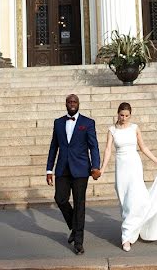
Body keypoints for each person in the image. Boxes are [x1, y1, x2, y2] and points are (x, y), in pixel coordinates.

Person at [99, 102, 157, 251]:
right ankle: (132, 229)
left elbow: (143, 147)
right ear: (117, 113)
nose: (124, 118)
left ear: (130, 115)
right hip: (121, 167)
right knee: (126, 202)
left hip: (134, 166)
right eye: (121, 115)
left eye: (127, 116)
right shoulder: (112, 130)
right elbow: (107, 150)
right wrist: (102, 169)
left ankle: (126, 237)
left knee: (137, 199)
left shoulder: (134, 128)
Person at [46, 93, 101, 255]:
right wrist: (49, 169)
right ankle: (74, 227)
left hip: (81, 169)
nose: (72, 104)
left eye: (74, 101)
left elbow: (94, 147)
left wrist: (95, 166)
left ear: (78, 104)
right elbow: (53, 147)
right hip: (62, 168)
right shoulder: (58, 122)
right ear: (65, 104)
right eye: (69, 102)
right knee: (60, 199)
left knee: (79, 204)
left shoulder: (88, 123)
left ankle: (78, 242)